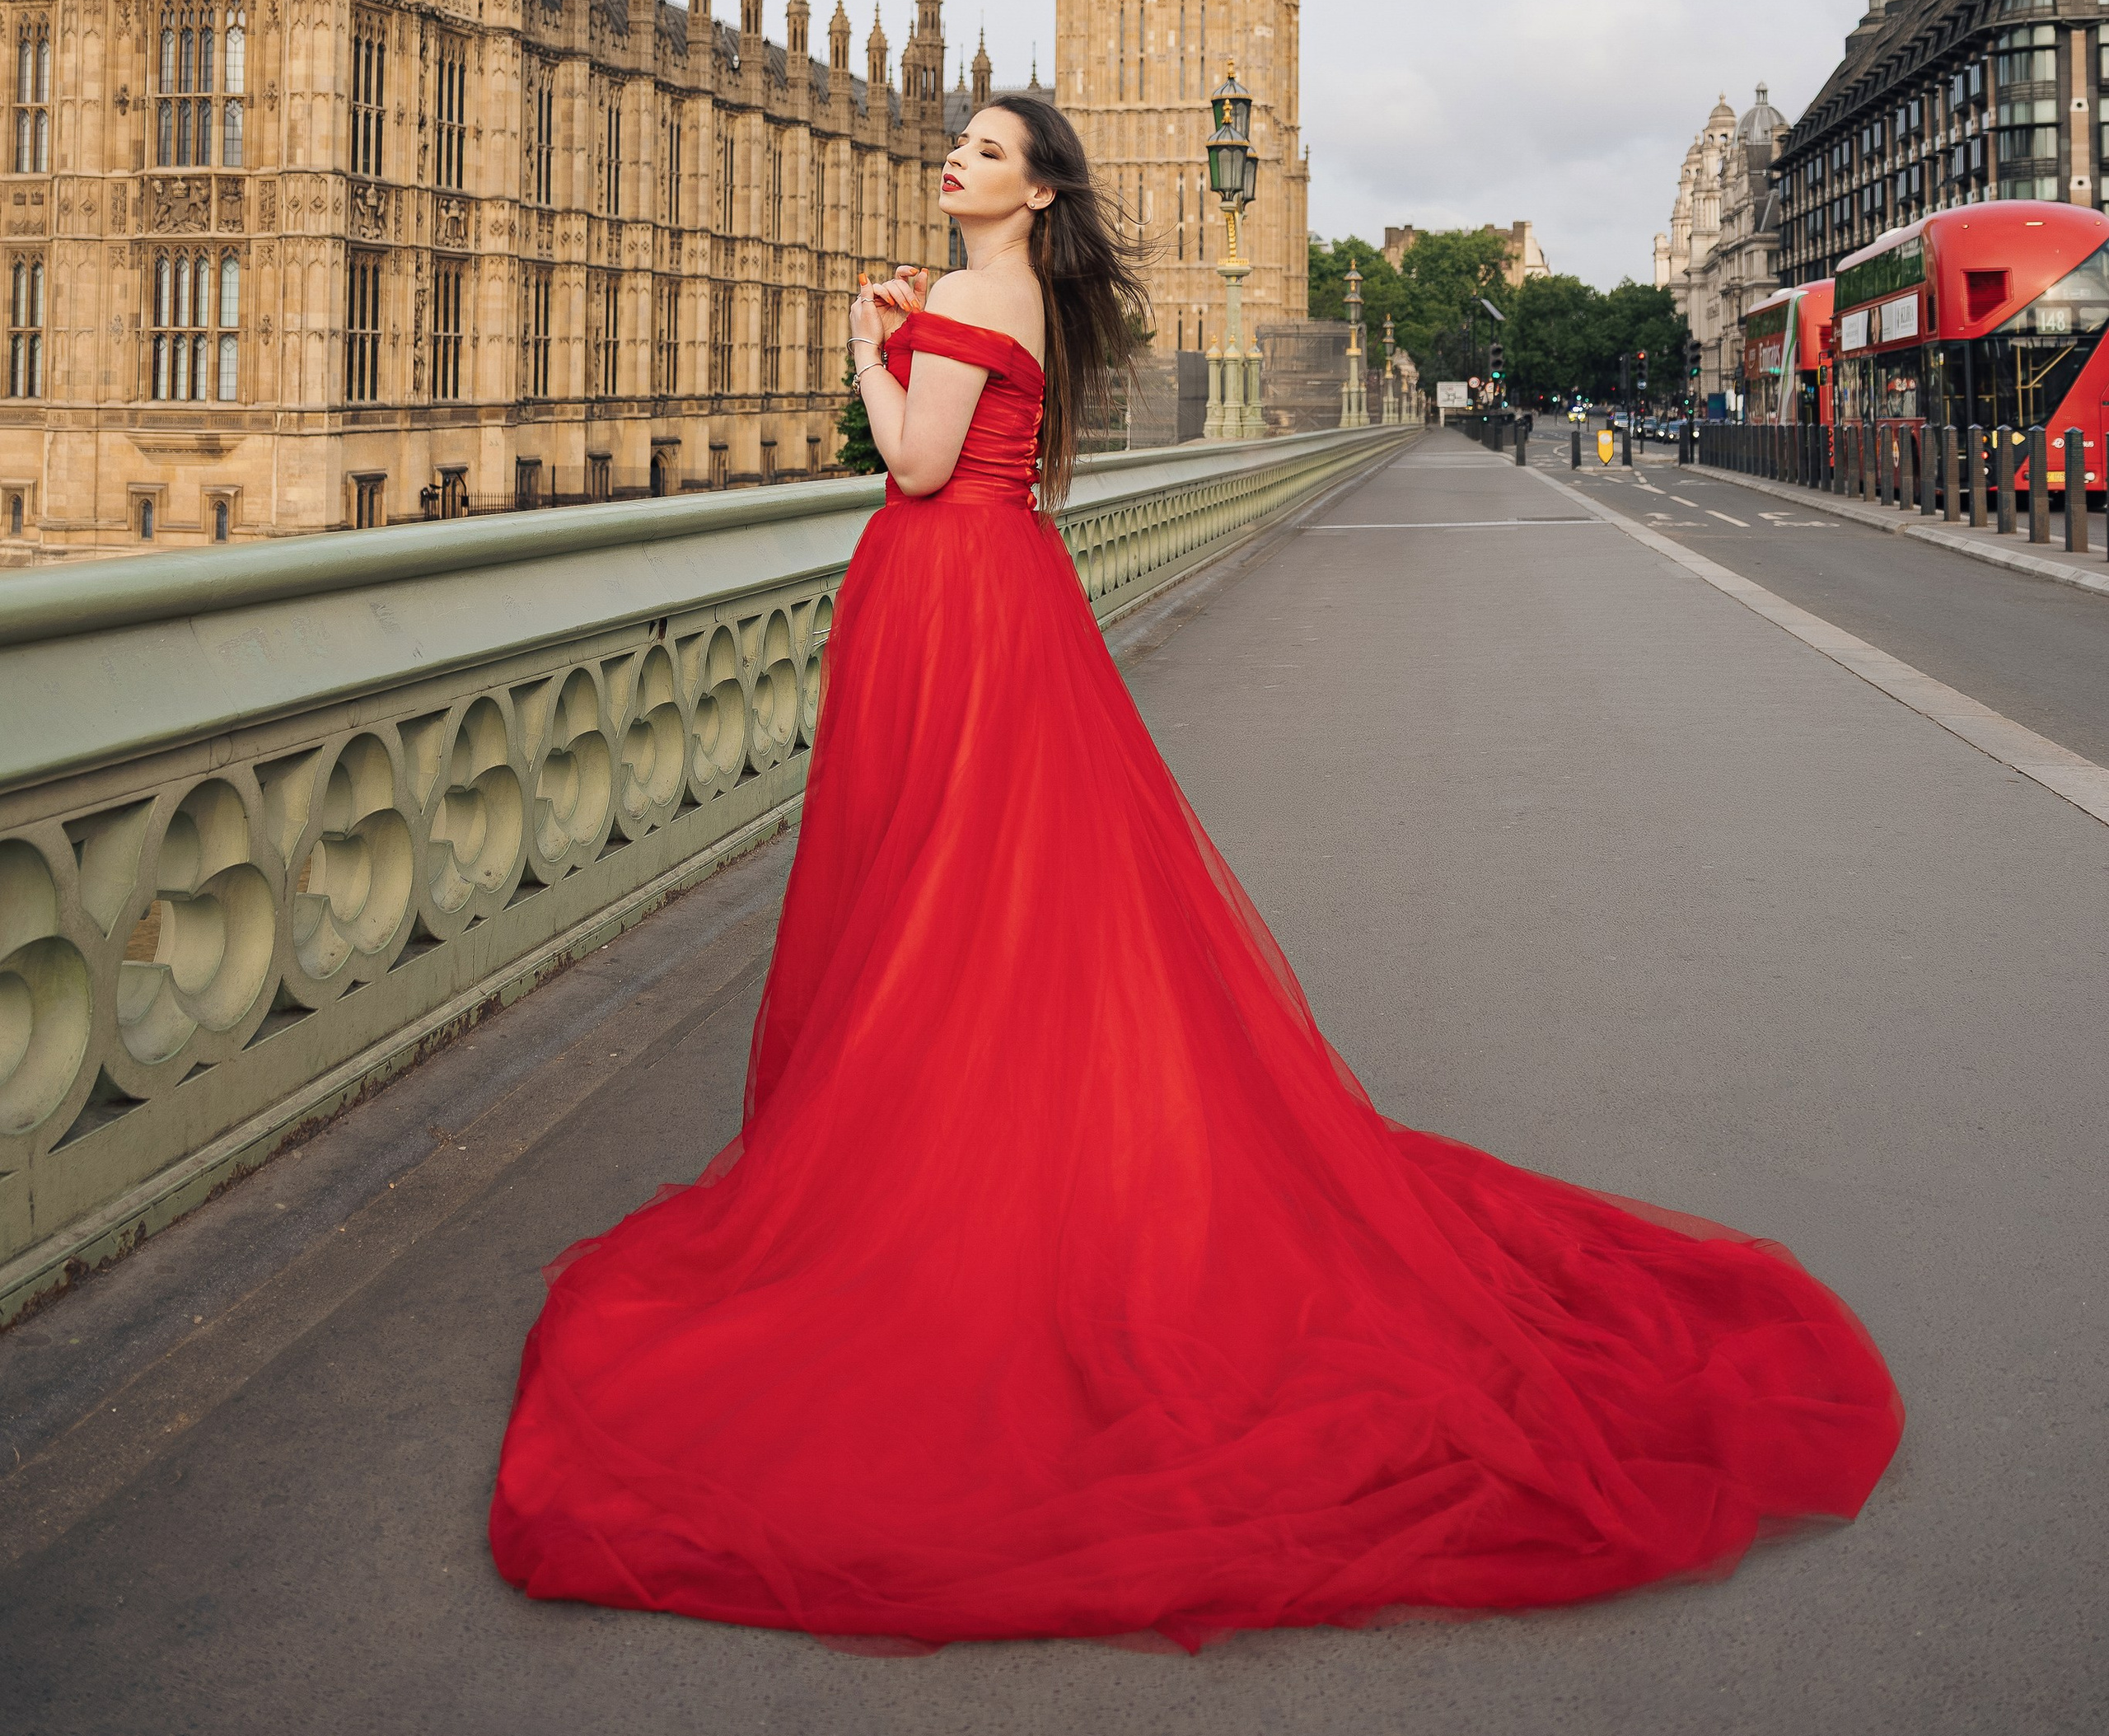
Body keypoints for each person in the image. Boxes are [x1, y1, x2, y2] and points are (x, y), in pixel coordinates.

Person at [489, 96, 1901, 1648]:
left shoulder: (972, 288)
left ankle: (951, 1177)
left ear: (1038, 194)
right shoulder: (1013, 295)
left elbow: (916, 463)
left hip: (949, 600)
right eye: (959, 142)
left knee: (933, 899)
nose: (958, 159)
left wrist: (864, 348)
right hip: (1007, 602)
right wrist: (914, 333)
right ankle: (1015, 1151)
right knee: (1004, 905)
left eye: (988, 150)